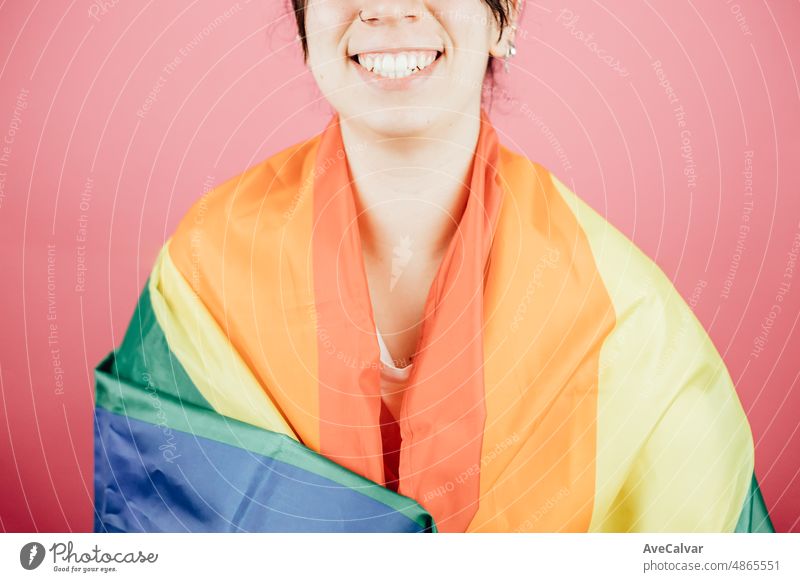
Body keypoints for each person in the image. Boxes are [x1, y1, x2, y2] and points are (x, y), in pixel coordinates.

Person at [93, 0, 773, 533]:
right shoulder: (207, 268)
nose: (388, 8)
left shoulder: (622, 316)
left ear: (501, 18)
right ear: (303, 24)